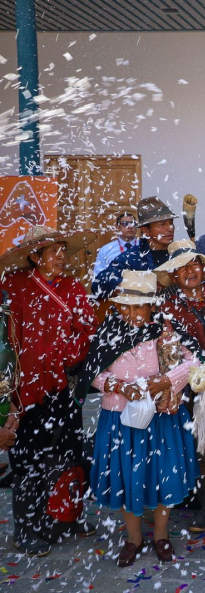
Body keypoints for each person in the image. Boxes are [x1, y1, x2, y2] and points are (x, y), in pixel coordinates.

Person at [75, 270, 202, 567]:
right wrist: (117, 386)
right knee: (124, 476)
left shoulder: (167, 329)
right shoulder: (108, 332)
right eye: (125, 306)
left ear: (152, 306)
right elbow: (90, 374)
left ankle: (160, 535)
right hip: (118, 418)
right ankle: (134, 538)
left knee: (160, 476)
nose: (131, 313)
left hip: (159, 418)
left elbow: (195, 361)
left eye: (138, 306)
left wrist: (166, 381)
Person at [0, 226, 98, 557]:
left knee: (69, 452)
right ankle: (26, 529)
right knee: (28, 461)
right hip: (26, 390)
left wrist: (66, 352)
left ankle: (68, 516)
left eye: (61, 250)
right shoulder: (13, 287)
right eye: (52, 252)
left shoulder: (72, 288)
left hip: (63, 387)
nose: (60, 257)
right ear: (34, 256)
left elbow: (87, 330)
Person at [154, 239, 205, 533]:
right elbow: (167, 350)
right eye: (182, 267)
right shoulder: (166, 307)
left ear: (203, 268)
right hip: (190, 383)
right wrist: (194, 371)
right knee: (198, 444)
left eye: (195, 264)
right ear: (174, 275)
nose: (190, 271)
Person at [93, 196, 178, 299]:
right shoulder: (132, 257)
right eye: (162, 224)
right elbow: (98, 285)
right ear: (146, 230)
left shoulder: (179, 254)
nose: (170, 228)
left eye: (171, 223)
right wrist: (140, 285)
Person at [92, 211, 138, 279]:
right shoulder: (106, 250)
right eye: (125, 224)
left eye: (132, 223)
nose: (130, 227)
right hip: (116, 287)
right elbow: (98, 276)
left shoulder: (144, 246)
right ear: (118, 227)